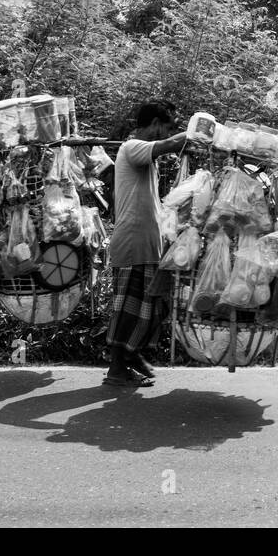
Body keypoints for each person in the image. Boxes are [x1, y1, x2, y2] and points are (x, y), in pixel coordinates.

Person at [103, 100, 188, 388]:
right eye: (166, 127)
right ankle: (117, 368)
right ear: (153, 123)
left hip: (148, 244)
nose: (167, 134)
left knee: (152, 307)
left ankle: (132, 356)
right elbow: (168, 146)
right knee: (128, 309)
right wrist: (199, 133)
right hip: (131, 243)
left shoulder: (145, 159)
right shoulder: (131, 148)